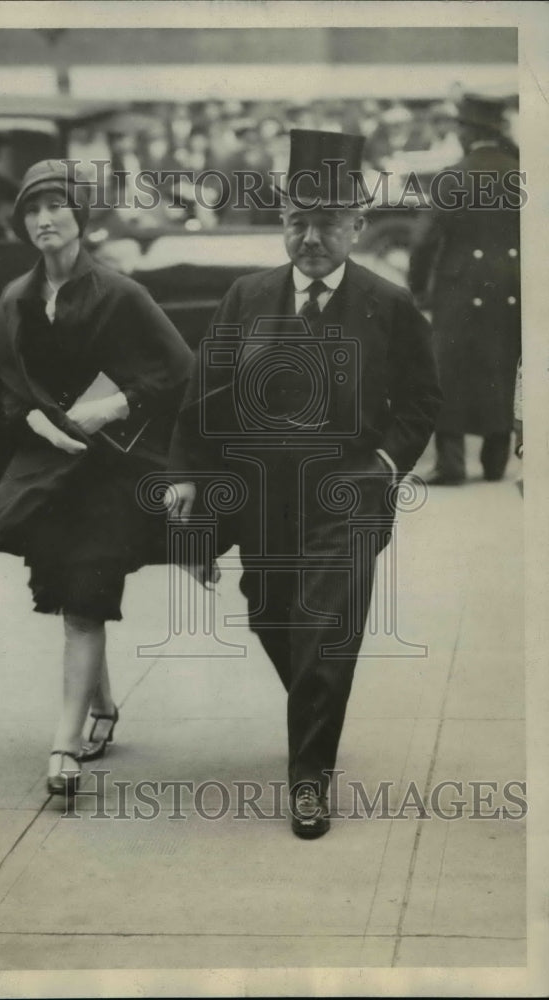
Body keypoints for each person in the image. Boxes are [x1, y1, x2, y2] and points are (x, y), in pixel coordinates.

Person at [167, 130, 441, 839]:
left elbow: (420, 400)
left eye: (327, 222)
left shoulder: (387, 303)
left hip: (347, 491)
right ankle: (317, 710)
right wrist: (189, 480)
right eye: (297, 221)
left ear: (356, 225)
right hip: (262, 493)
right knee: (268, 609)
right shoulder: (245, 297)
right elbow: (204, 393)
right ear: (281, 223)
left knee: (324, 626)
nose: (310, 237)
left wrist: (383, 469)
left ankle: (309, 777)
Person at [0, 160, 193, 796]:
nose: (43, 219)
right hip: (48, 470)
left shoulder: (120, 294)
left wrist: (116, 404)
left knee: (83, 602)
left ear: (81, 217)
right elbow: (0, 381)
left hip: (110, 472)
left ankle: (62, 746)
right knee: (73, 599)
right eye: (31, 209)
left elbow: (179, 370)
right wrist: (33, 415)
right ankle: (102, 710)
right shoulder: (15, 297)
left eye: (56, 206)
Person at [408, 94, 521, 485]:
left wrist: (418, 288)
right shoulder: (521, 173)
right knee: (502, 364)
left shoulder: (452, 176)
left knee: (450, 371)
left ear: (468, 131)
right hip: (512, 286)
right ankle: (495, 463)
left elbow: (423, 241)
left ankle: (451, 464)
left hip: (459, 286)